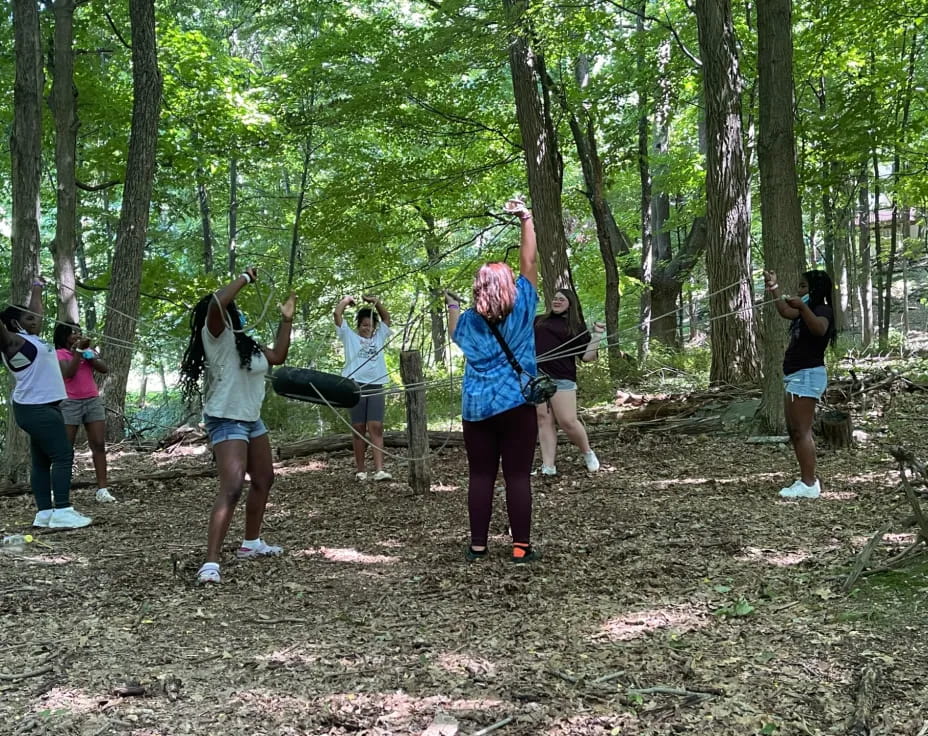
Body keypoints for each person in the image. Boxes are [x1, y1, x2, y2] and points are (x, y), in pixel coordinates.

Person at [179, 267, 296, 584]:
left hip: (251, 419)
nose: (238, 314)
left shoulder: (248, 344)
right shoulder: (216, 335)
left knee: (264, 479)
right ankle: (210, 563)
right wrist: (245, 277)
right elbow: (217, 303)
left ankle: (251, 544)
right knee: (231, 488)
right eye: (236, 311)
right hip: (225, 418)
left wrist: (286, 320)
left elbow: (279, 355)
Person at [446, 198, 539, 563]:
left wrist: (452, 305)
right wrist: (525, 218)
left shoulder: (468, 320)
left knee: (480, 475)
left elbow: (455, 332)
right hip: (517, 401)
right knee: (517, 476)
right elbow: (529, 262)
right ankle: (521, 547)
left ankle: (478, 546)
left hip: (476, 407)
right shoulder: (524, 304)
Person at [0, 279, 92, 529]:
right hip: (36, 408)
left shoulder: (35, 341)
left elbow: (65, 370)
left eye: (34, 318)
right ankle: (62, 510)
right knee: (63, 455)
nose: (36, 321)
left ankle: (44, 514)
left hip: (43, 407)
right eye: (28, 319)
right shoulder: (14, 342)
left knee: (41, 461)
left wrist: (37, 287)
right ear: (14, 324)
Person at [764, 268, 836, 499]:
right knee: (794, 430)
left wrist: (803, 306)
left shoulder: (822, 309)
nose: (799, 290)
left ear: (814, 289)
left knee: (801, 431)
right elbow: (785, 311)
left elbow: (819, 329)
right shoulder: (804, 309)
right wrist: (773, 287)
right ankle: (806, 480)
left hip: (807, 375)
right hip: (796, 375)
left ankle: (809, 483)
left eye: (803, 286)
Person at [534, 289, 605, 476]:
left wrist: (597, 335)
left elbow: (588, 357)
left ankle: (587, 452)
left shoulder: (576, 327)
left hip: (562, 378)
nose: (557, 301)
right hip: (537, 376)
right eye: (555, 298)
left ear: (570, 303)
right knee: (544, 420)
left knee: (567, 421)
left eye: (561, 299)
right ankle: (548, 466)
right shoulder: (538, 320)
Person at [54, 322, 115, 503]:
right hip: (69, 402)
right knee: (66, 448)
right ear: (63, 336)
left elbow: (104, 368)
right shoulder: (59, 354)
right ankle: (60, 491)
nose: (77, 335)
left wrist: (89, 355)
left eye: (79, 332)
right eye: (73, 333)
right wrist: (78, 353)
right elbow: (68, 373)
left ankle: (102, 489)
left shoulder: (88, 351)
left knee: (98, 444)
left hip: (92, 400)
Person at [334, 294, 392, 481]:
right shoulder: (350, 336)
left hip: (376, 384)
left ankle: (380, 469)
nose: (367, 328)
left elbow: (386, 318)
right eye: (364, 324)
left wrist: (376, 301)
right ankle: (361, 470)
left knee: (376, 426)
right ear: (358, 325)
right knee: (358, 427)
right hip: (355, 385)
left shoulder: (378, 338)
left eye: (370, 325)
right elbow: (337, 315)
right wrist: (346, 301)